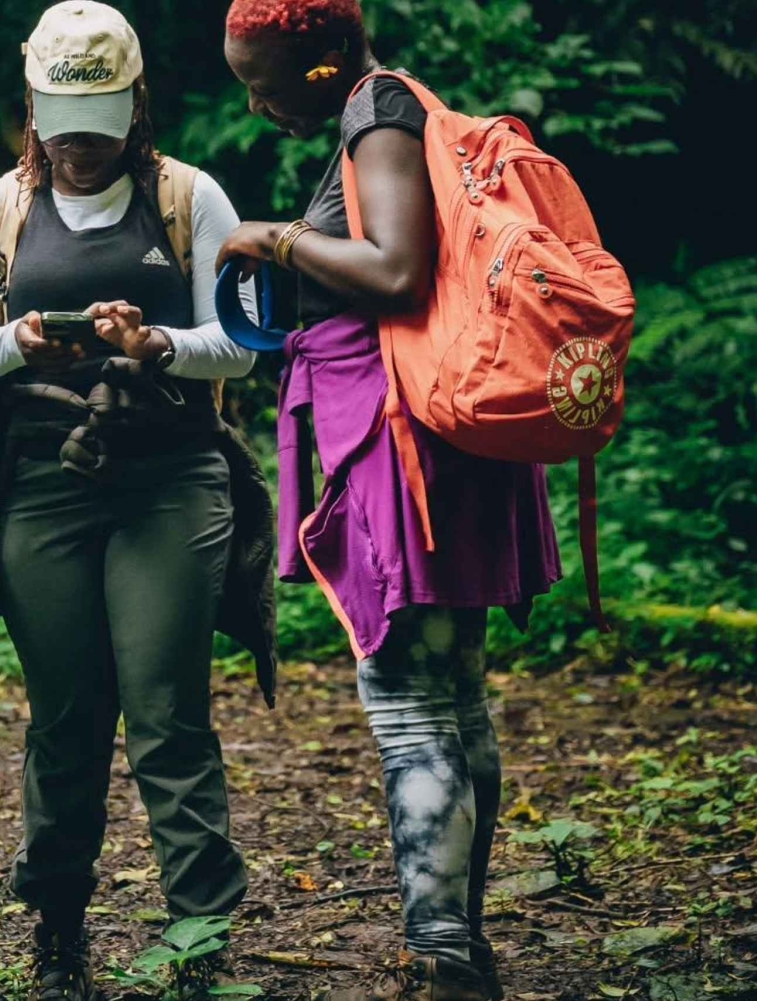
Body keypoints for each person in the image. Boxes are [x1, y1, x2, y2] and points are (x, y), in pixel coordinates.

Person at [0, 4, 276, 999]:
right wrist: (19, 343)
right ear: (33, 112)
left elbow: (244, 345)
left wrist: (155, 344)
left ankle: (199, 936)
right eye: (62, 122)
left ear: (134, 112)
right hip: (42, 485)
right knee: (66, 715)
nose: (79, 145)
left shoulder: (189, 198)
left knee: (166, 710)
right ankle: (58, 931)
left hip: (170, 480)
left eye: (99, 121)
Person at [216, 2, 562, 999]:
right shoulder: (394, 107)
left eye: (267, 82)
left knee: (409, 699)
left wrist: (276, 241)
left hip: (409, 447)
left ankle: (438, 952)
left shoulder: (378, 113)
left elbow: (398, 272)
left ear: (325, 63)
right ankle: (460, 941)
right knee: (453, 694)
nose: (256, 101)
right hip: (441, 440)